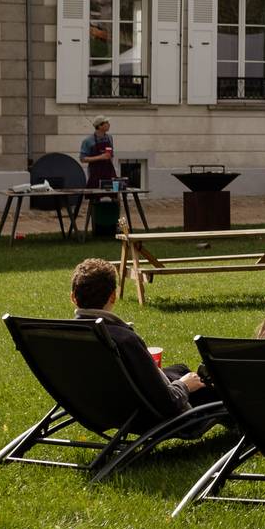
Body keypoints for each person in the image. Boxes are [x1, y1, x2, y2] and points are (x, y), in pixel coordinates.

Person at [68, 257, 211, 409]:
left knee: (180, 370)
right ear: (113, 296)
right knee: (204, 385)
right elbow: (166, 401)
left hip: (101, 405)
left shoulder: (68, 334)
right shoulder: (122, 339)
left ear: (73, 297)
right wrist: (184, 385)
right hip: (141, 410)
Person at [78, 117, 121, 238]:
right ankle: (96, 227)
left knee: (116, 197)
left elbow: (110, 154)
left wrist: (108, 158)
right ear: (100, 126)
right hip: (95, 172)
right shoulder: (88, 141)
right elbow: (83, 158)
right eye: (106, 123)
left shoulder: (109, 138)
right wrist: (100, 157)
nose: (109, 124)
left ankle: (116, 226)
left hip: (109, 171)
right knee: (95, 198)